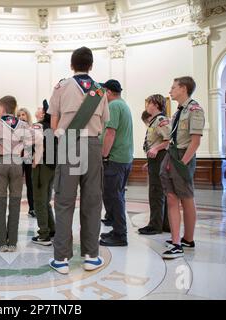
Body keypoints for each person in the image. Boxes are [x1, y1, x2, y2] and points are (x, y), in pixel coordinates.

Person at [47, 47, 109, 274]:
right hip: (93, 146)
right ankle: (91, 257)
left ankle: (61, 259)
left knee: (64, 202)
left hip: (69, 145)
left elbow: (53, 125)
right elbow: (104, 122)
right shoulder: (100, 91)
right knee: (92, 201)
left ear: (72, 65)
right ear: (91, 65)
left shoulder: (61, 87)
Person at [0, 96, 42, 253]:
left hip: (0, 164)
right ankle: (12, 242)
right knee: (15, 203)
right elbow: (40, 139)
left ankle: (2, 243)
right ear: (14, 108)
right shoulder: (24, 125)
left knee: (0, 203)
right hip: (17, 165)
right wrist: (36, 160)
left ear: (2, 108)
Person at [160, 76, 205, 259]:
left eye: (173, 87)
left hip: (183, 157)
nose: (170, 91)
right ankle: (177, 239)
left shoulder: (194, 109)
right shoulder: (178, 111)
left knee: (186, 198)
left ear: (183, 88)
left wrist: (182, 164)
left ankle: (186, 240)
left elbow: (195, 142)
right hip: (172, 154)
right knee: (171, 197)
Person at [99, 79, 133, 247]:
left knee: (115, 196)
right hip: (124, 158)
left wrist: (104, 155)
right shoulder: (123, 104)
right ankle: (117, 229)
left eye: (103, 92)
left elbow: (110, 133)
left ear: (109, 92)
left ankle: (120, 234)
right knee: (117, 195)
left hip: (115, 158)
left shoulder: (113, 106)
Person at [138, 94, 171, 235]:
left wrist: (156, 149)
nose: (147, 106)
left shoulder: (161, 120)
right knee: (158, 192)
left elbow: (170, 140)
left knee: (156, 192)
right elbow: (156, 142)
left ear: (156, 105)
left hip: (160, 158)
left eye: (149, 103)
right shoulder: (155, 121)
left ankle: (155, 225)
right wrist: (149, 161)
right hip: (156, 159)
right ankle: (164, 224)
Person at [31, 100, 56, 246]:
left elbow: (40, 145)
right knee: (46, 200)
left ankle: (43, 235)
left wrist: (35, 160)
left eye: (40, 109)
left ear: (45, 113)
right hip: (53, 166)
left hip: (42, 165)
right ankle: (52, 228)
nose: (38, 110)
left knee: (39, 201)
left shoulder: (38, 126)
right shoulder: (54, 127)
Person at [17, 107, 36, 218]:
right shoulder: (14, 129)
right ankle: (15, 208)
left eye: (23, 115)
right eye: (19, 115)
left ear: (27, 116)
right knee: (17, 184)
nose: (21, 117)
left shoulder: (32, 128)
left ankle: (32, 208)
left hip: (29, 155)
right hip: (18, 156)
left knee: (30, 183)